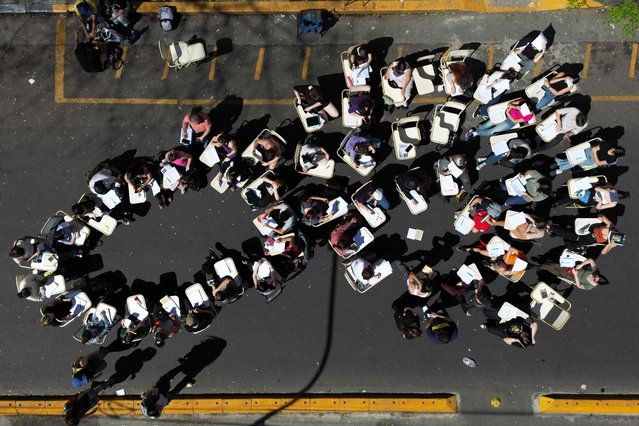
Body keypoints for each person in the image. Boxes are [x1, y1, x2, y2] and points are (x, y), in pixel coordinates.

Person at [547, 214, 624, 255]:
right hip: (589, 232)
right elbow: (602, 217)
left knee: (572, 243)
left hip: (589, 241)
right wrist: (600, 217)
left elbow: (603, 252)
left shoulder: (611, 242)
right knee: (574, 237)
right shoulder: (611, 226)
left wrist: (610, 245)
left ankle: (555, 232)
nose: (613, 235)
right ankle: (552, 229)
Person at [465, 99, 535, 139]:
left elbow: (515, 121)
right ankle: (476, 132)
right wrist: (515, 107)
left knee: (493, 131)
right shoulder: (523, 102)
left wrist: (508, 113)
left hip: (510, 122)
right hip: (503, 114)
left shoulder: (529, 116)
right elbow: (509, 104)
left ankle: (476, 133)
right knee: (489, 123)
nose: (521, 110)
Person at [551, 143, 624, 176]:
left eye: (613, 151)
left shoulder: (613, 159)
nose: (611, 150)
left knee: (577, 160)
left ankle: (559, 163)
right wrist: (596, 157)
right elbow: (594, 149)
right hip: (589, 151)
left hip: (591, 160)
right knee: (576, 160)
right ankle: (560, 167)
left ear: (615, 155)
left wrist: (595, 156)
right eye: (613, 148)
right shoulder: (607, 145)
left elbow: (598, 163)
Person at [539, 257, 606, 290]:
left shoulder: (589, 286)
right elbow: (591, 260)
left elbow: (579, 285)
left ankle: (544, 264)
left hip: (573, 277)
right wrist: (581, 265)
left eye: (594, 279)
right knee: (558, 266)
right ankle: (542, 265)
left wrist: (576, 275)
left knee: (557, 272)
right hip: (575, 268)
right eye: (595, 276)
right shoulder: (596, 271)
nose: (593, 276)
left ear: (596, 283)